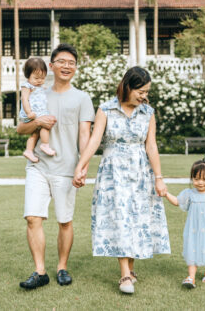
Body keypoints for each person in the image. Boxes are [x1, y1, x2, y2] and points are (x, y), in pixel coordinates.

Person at [73, 66, 173, 294]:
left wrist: (159, 178)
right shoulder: (106, 109)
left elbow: (151, 146)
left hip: (140, 173)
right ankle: (125, 274)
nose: (144, 96)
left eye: (147, 92)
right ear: (127, 87)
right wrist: (81, 166)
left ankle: (131, 269)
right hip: (113, 173)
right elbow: (94, 140)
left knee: (136, 219)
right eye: (141, 91)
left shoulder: (147, 112)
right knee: (120, 217)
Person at [18, 44, 95, 290]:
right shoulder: (37, 92)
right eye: (61, 61)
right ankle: (40, 271)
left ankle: (62, 267)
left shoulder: (82, 98)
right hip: (38, 166)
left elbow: (85, 135)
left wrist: (82, 166)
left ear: (76, 68)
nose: (66, 66)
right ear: (51, 66)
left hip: (67, 168)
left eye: (71, 62)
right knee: (32, 217)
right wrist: (37, 121)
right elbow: (21, 128)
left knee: (64, 221)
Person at [161, 154, 205, 289]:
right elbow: (177, 201)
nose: (200, 182)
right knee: (192, 250)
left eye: (204, 179)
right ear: (192, 178)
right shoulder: (190, 194)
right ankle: (191, 277)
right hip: (193, 229)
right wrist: (166, 194)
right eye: (196, 179)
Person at [18, 57, 56, 162]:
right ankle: (45, 144)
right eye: (36, 78)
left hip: (37, 112)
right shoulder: (27, 86)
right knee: (46, 125)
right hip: (33, 112)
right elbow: (24, 99)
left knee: (35, 133)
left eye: (42, 78)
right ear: (28, 75)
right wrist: (29, 112)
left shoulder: (39, 87)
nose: (40, 81)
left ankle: (29, 150)